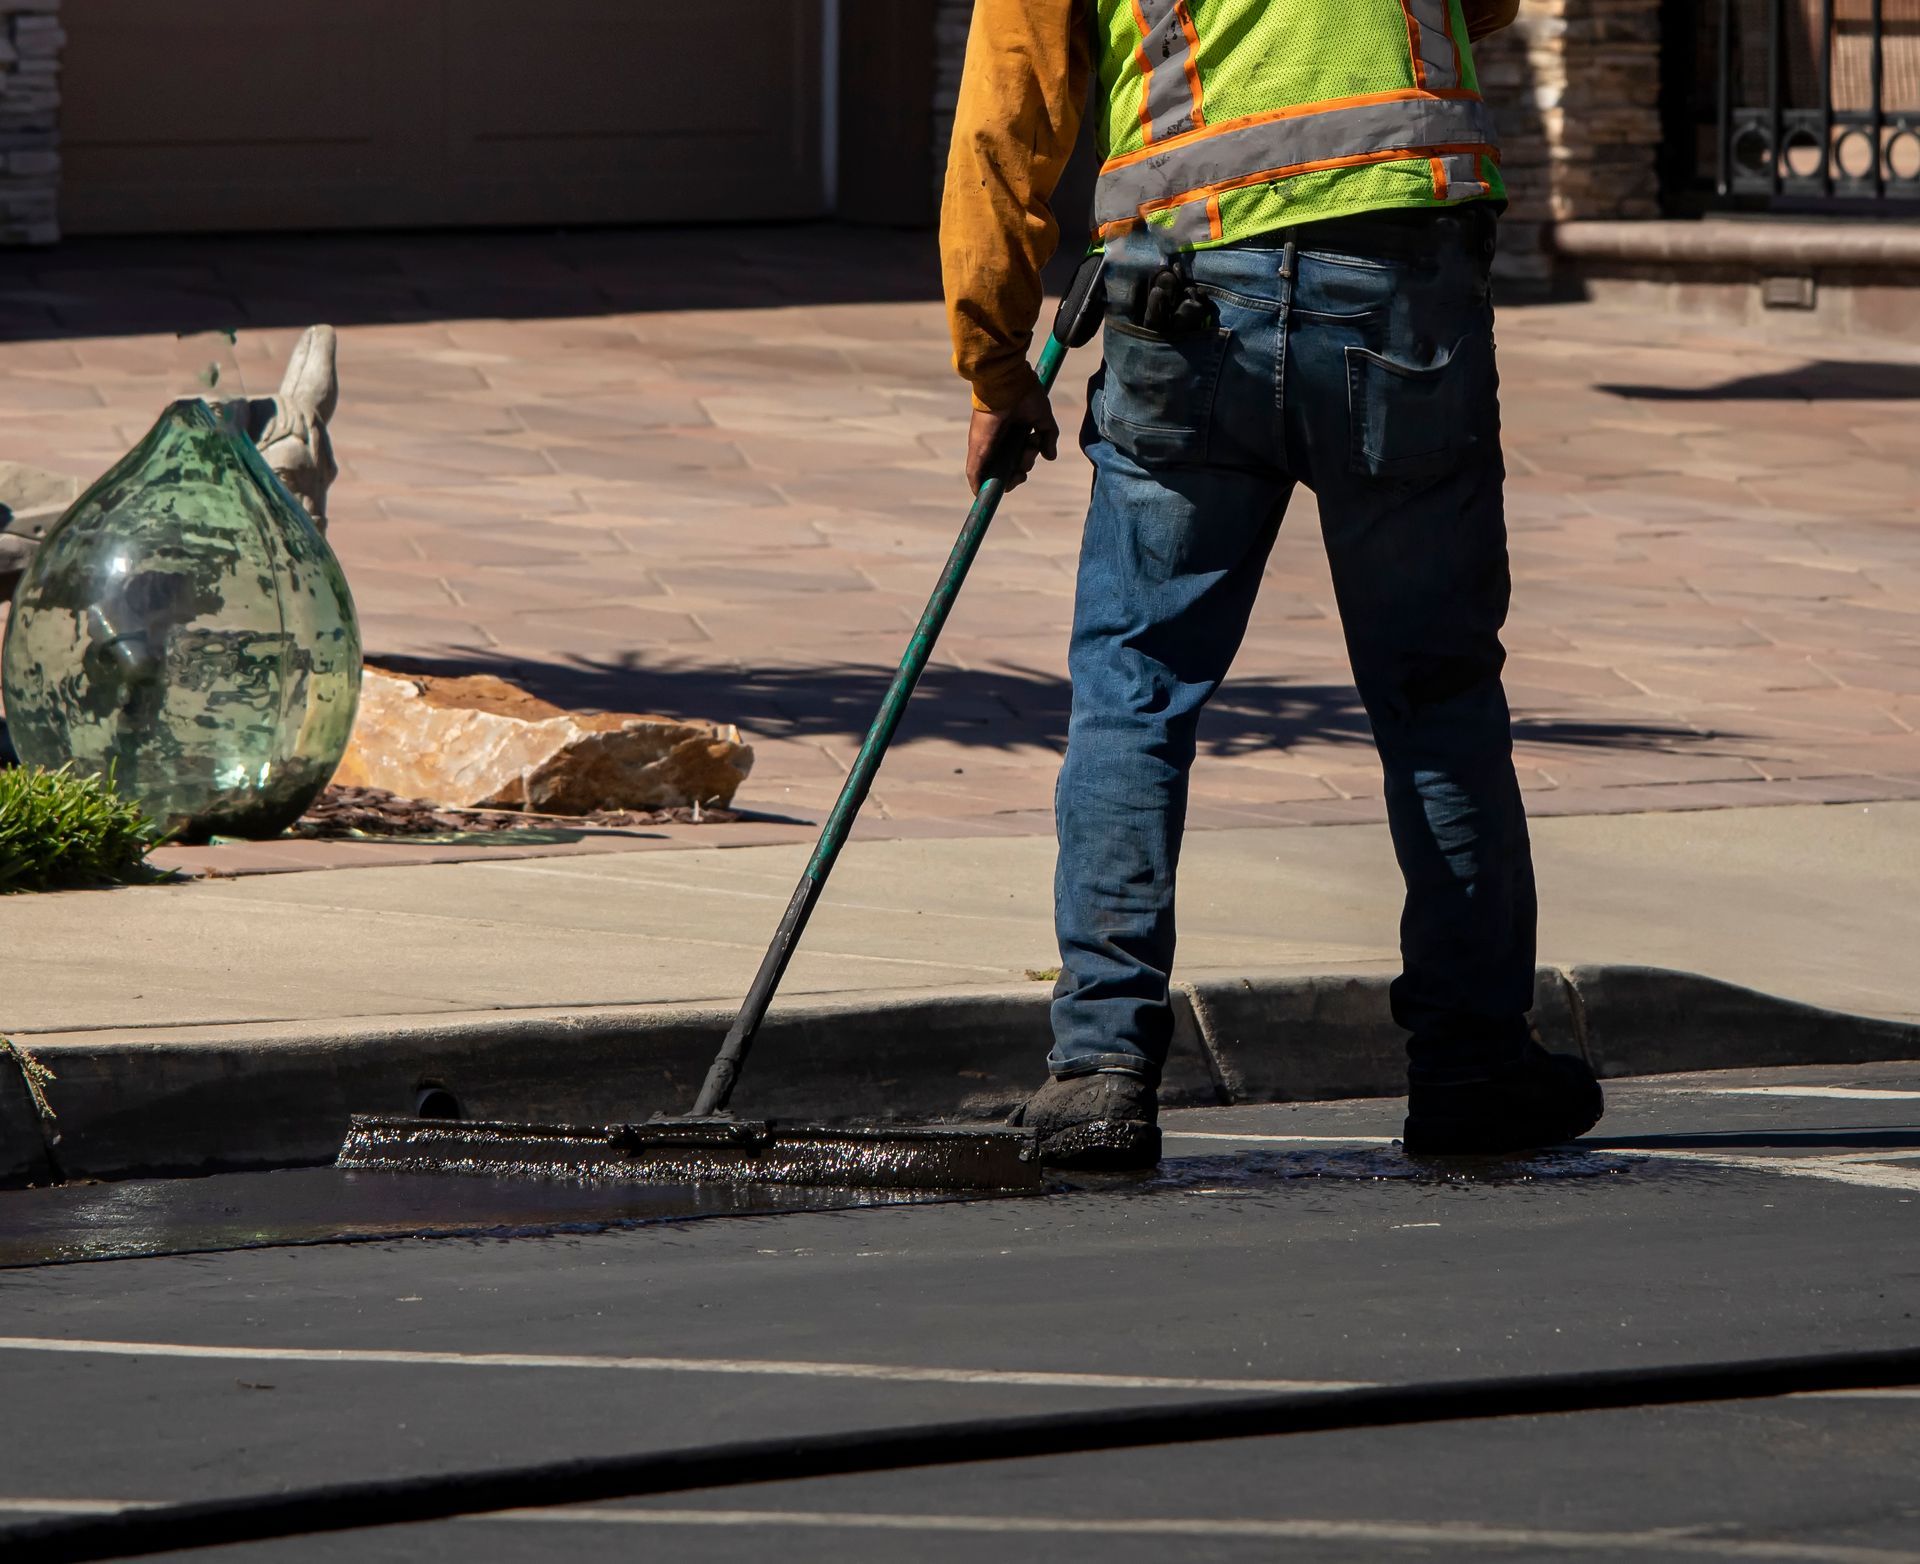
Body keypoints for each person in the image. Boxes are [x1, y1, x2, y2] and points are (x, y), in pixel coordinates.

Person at [940, 0, 1604, 1167]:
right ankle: (1471, 1063)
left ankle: (1099, 1068)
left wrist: (995, 362)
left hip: (1187, 302)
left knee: (1135, 688)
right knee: (1437, 696)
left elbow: (1012, 110)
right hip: (1400, 290)